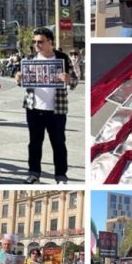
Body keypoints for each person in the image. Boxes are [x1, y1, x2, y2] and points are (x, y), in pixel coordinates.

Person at [16, 28, 77, 184]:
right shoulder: (30, 58)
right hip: (34, 108)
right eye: (34, 42)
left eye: (40, 42)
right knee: (34, 143)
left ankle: (61, 176)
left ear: (50, 42)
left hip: (56, 109)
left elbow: (75, 81)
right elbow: (22, 82)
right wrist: (18, 78)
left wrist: (68, 78)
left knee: (58, 143)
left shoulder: (62, 58)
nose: (37, 45)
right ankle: (34, 173)